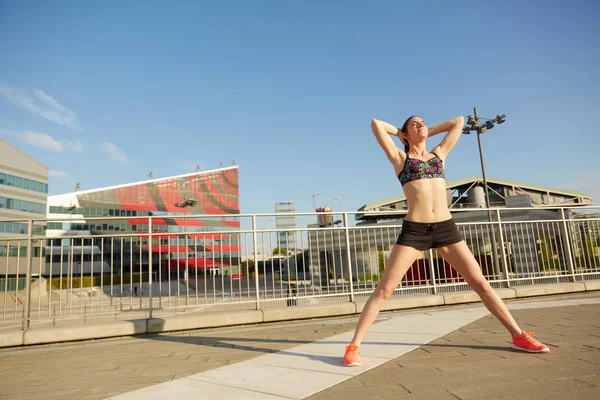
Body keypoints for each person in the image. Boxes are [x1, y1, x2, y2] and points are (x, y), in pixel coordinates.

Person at [343, 115, 549, 367]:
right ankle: (354, 346)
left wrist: (426, 131)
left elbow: (458, 122)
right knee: (385, 290)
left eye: (423, 123)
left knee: (481, 284)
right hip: (414, 230)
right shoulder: (401, 159)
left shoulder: (439, 154)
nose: (421, 125)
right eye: (414, 124)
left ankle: (519, 336)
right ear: (405, 134)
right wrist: (401, 134)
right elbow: (376, 124)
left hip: (445, 228)